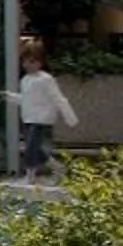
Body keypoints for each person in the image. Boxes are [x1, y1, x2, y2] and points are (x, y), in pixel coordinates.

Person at [18, 41, 79, 185]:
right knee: (34, 147)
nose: (27, 65)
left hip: (42, 119)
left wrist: (70, 117)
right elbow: (25, 99)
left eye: (32, 61)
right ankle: (58, 168)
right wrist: (10, 97)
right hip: (28, 117)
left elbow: (58, 98)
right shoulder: (25, 80)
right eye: (25, 61)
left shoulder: (46, 79)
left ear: (40, 62)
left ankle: (30, 176)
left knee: (31, 146)